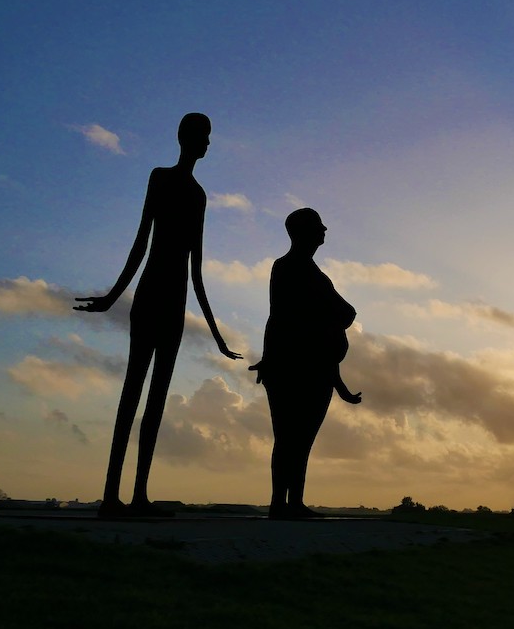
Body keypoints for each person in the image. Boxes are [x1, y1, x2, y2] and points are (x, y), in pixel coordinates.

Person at [75, 113, 242, 518]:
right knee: (132, 392)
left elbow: (196, 270)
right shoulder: (160, 178)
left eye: (208, 137)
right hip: (151, 295)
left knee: (157, 400)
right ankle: (111, 495)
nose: (207, 144)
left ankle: (138, 495)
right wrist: (114, 297)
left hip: (175, 302)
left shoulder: (199, 195)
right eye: (203, 136)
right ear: (186, 138)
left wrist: (216, 334)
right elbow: (140, 243)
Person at [250, 208, 362, 519]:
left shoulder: (317, 276)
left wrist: (340, 386)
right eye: (318, 226)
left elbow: (334, 328)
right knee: (288, 437)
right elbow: (279, 316)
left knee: (301, 440)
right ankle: (279, 503)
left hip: (317, 370)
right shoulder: (287, 268)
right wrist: (270, 358)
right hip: (291, 368)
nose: (324, 229)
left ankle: (293, 502)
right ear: (304, 232)